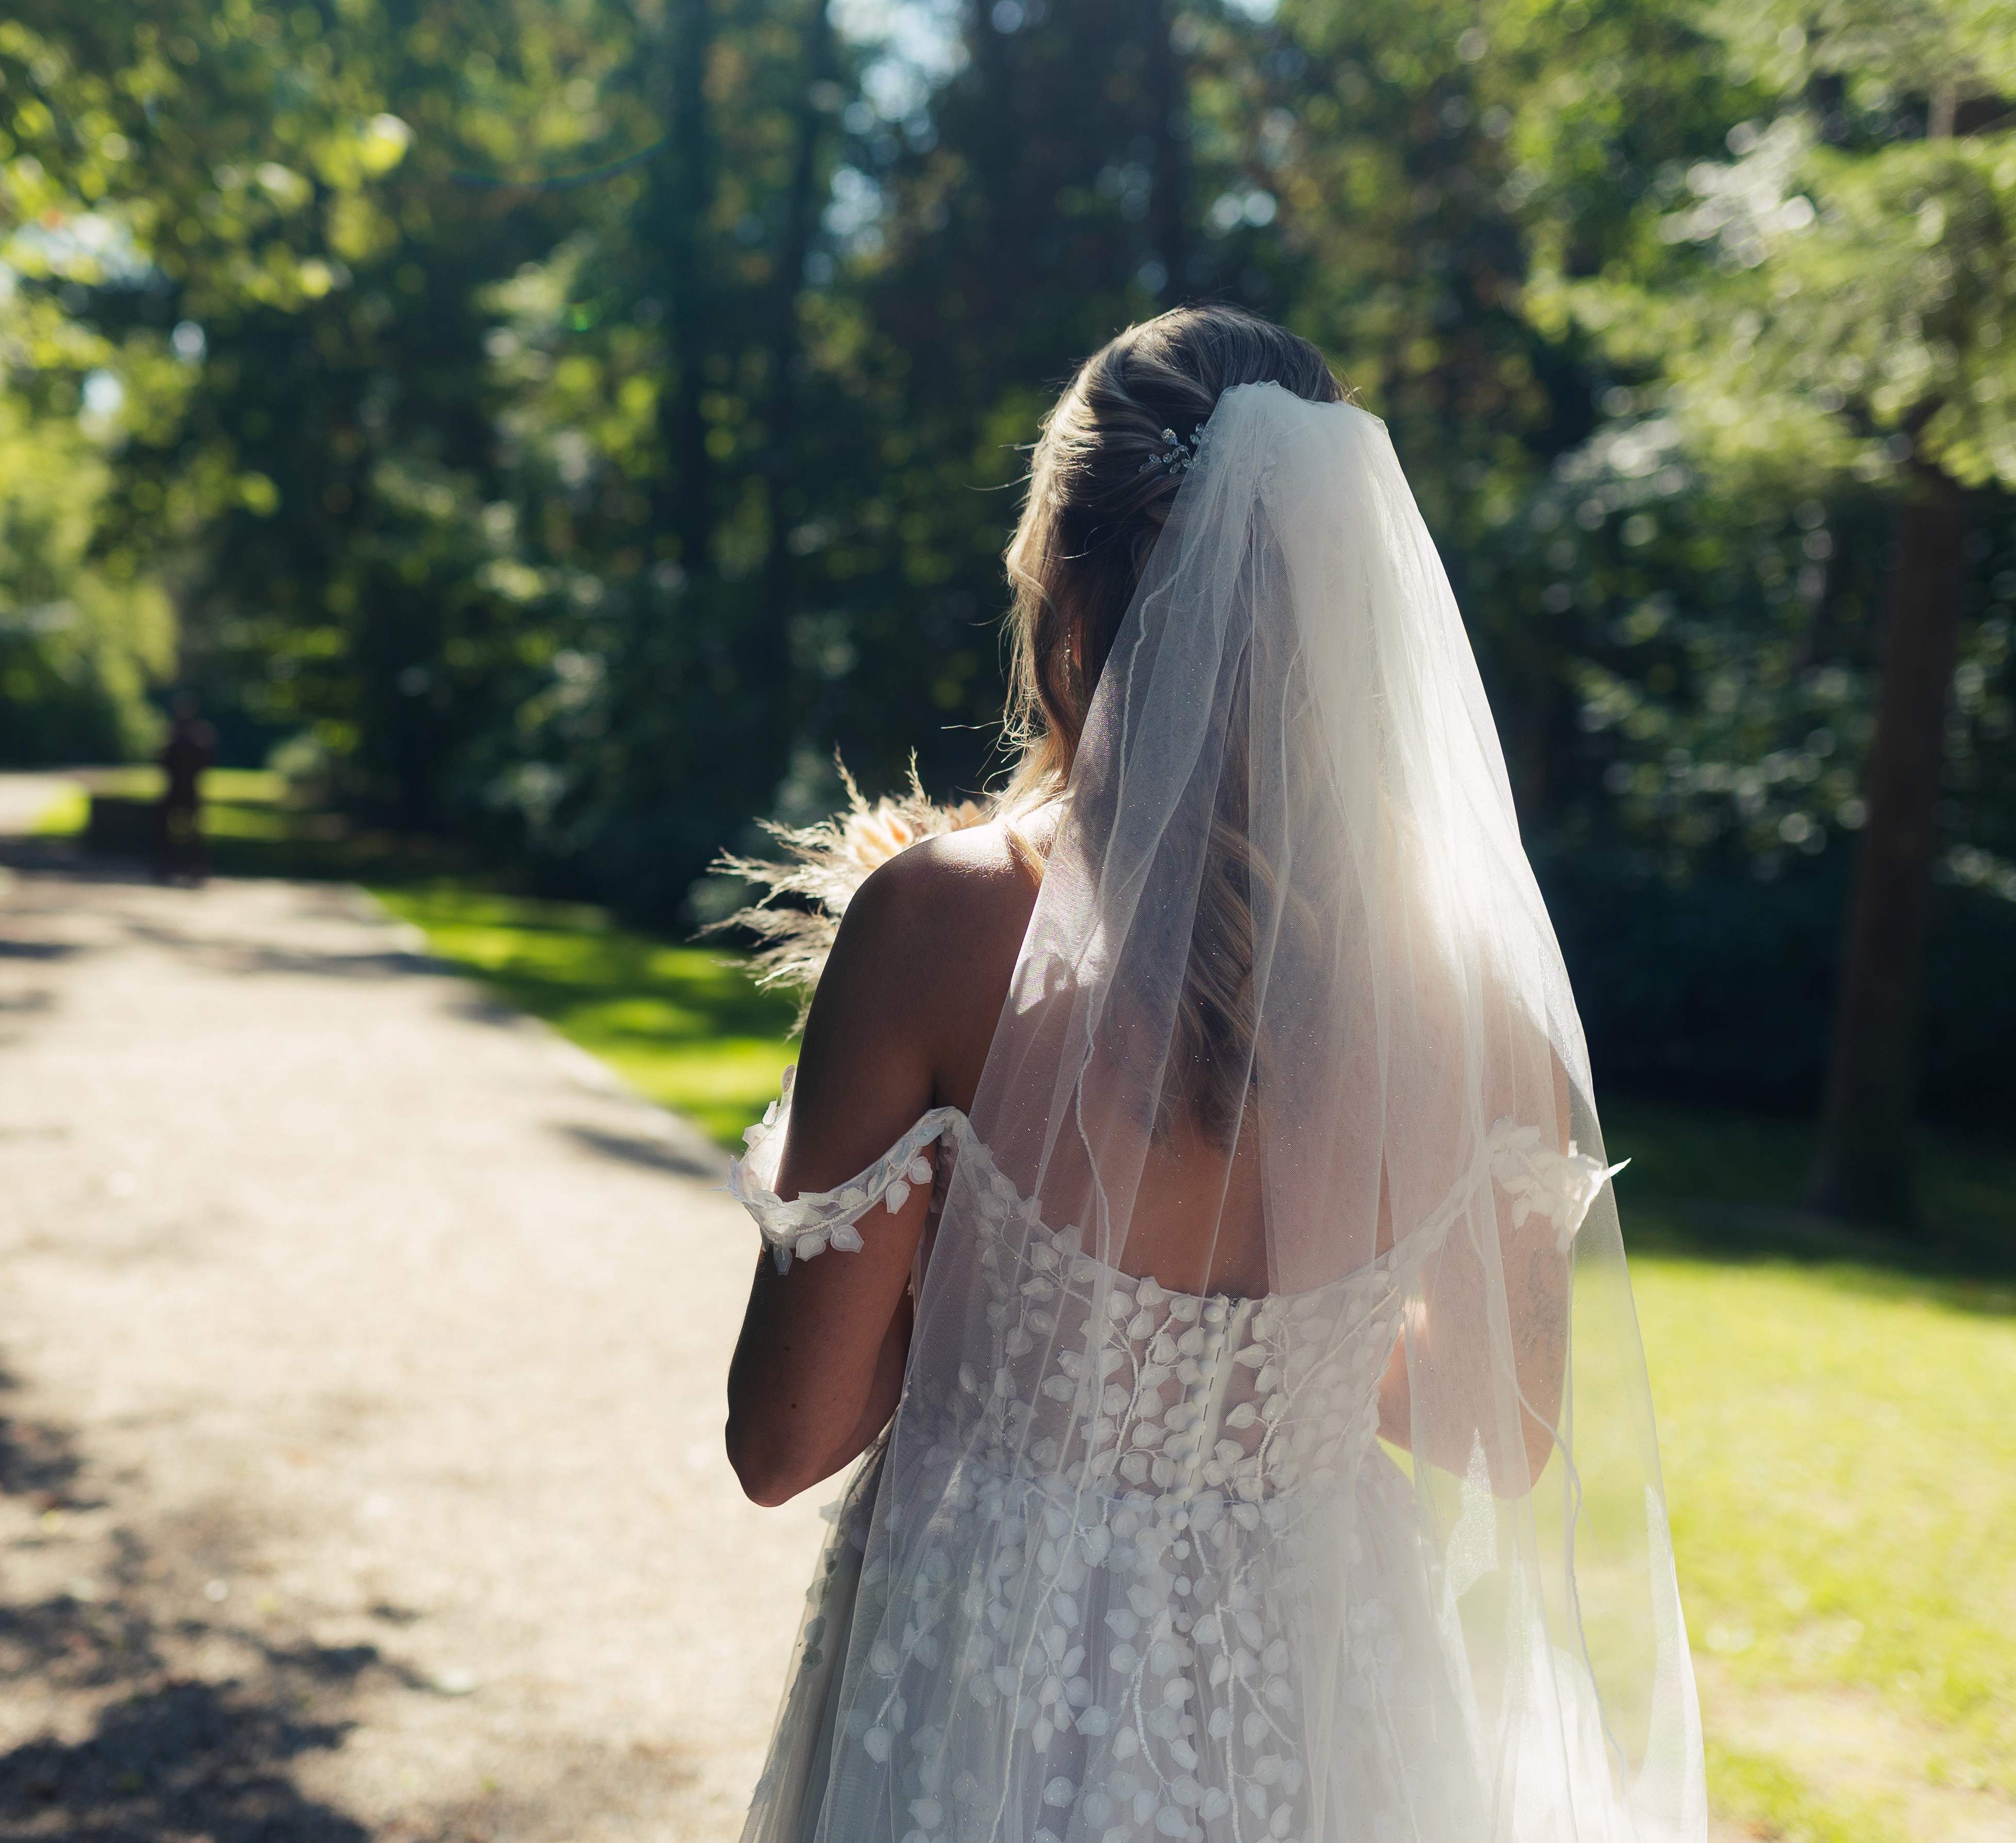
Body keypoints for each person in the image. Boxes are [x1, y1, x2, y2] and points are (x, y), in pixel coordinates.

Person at [720, 307, 1705, 1843]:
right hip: (1326, 1688)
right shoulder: (1468, 996)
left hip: (988, 1680)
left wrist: (981, 1283)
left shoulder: (932, 925)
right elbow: (1504, 1432)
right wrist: (1278, 1362)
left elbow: (783, 1440)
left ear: (1065, 581)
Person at [154, 694, 219, 884]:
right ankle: (170, 863)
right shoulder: (184, 737)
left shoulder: (187, 737)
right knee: (169, 828)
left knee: (194, 832)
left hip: (186, 789)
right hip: (180, 789)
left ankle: (189, 865)